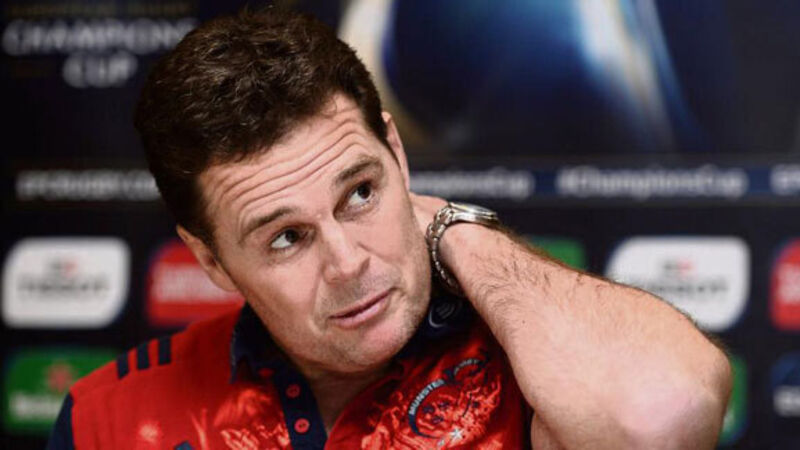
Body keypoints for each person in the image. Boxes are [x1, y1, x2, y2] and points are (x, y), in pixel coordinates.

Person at [48, 7, 731, 449]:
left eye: (359, 193)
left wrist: (452, 228)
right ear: (211, 261)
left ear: (397, 153)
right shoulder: (108, 419)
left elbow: (666, 418)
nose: (348, 262)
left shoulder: (538, 366)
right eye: (286, 237)